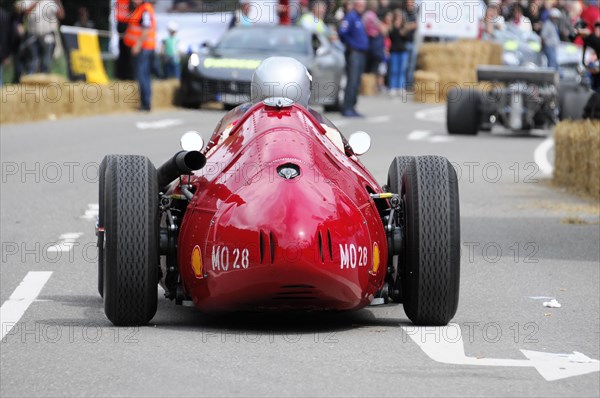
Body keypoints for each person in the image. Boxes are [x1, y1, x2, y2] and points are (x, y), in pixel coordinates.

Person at [338, 0, 369, 117]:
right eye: (361, 5)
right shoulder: (351, 17)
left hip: (361, 53)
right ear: (356, 5)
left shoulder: (359, 17)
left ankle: (352, 106)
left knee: (356, 82)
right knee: (352, 80)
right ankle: (347, 107)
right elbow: (342, 32)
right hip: (354, 53)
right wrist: (352, 44)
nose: (362, 7)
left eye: (364, 6)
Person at [124, 0, 156, 111]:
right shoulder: (141, 9)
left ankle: (145, 104)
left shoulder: (145, 10)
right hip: (145, 47)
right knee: (144, 75)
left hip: (143, 48)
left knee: (142, 75)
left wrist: (137, 45)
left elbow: (145, 29)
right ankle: (146, 103)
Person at [17, 0, 64, 74]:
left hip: (47, 34)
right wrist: (37, 2)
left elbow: (61, 15)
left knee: (46, 60)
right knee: (33, 60)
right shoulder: (28, 1)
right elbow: (25, 13)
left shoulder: (50, 2)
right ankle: (31, 79)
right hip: (32, 34)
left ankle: (44, 78)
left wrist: (58, 2)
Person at [363, 0, 386, 92]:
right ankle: (370, 88)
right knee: (373, 68)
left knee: (368, 67)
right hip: (374, 44)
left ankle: (366, 88)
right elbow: (383, 29)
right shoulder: (371, 16)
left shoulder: (365, 15)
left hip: (368, 43)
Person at [388, 10, 408, 97]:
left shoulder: (404, 27)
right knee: (394, 70)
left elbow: (407, 38)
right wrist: (395, 27)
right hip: (394, 50)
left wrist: (404, 30)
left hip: (402, 50)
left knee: (402, 70)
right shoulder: (392, 27)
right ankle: (393, 87)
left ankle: (400, 87)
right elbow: (390, 36)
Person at [116, 0, 134, 80]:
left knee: (123, 51)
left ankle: (122, 75)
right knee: (127, 52)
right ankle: (128, 75)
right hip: (126, 25)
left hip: (122, 24)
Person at [402, 0, 418, 90]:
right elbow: (404, 26)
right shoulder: (404, 13)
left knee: (411, 65)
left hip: (412, 42)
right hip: (405, 42)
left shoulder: (415, 14)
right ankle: (403, 84)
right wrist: (410, 25)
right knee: (404, 65)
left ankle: (409, 85)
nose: (410, 5)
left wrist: (410, 25)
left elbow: (417, 25)